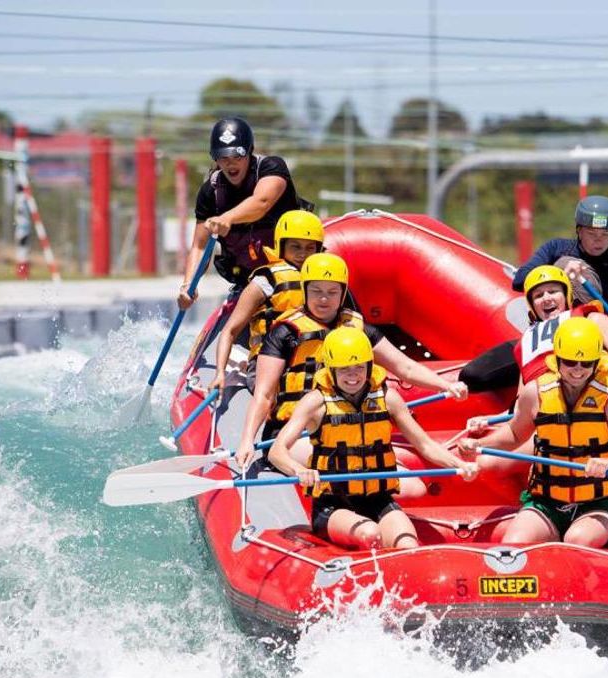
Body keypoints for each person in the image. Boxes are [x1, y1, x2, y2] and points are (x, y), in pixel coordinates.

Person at [235, 252, 467, 471]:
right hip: (295, 432)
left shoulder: (359, 329)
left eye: (332, 292)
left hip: (348, 428)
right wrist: (247, 440)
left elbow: (404, 367)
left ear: (343, 293)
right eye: (316, 291)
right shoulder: (285, 332)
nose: (324, 298)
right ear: (305, 291)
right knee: (342, 463)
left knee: (412, 488)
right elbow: (264, 395)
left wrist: (445, 386)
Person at [459, 316, 608, 549]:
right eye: (570, 363)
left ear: (597, 361)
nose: (578, 371)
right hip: (547, 502)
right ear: (557, 359)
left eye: (586, 364)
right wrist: (479, 444)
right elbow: (515, 435)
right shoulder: (534, 392)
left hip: (600, 503)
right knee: (514, 543)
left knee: (577, 540)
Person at [269, 327, 478, 550]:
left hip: (378, 498)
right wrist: (297, 470)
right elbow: (276, 451)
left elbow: (425, 445)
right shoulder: (315, 403)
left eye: (359, 367)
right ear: (331, 370)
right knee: (370, 533)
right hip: (333, 504)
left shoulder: (388, 399)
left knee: (407, 544)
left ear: (369, 366)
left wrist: (460, 465)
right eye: (344, 369)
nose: (353, 376)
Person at [511, 195, 608, 366]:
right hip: (551, 336)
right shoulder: (556, 249)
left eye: (605, 234)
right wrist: (558, 273)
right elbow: (519, 281)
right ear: (579, 230)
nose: (598, 240)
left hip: (594, 339)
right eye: (591, 233)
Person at [460, 264, 608, 394]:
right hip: (550, 427)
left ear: (567, 296)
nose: (546, 298)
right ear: (532, 306)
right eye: (538, 295)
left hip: (600, 415)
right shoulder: (528, 341)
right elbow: (522, 401)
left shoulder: (594, 321)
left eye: (553, 291)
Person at [179, 117, 305, 310]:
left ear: (249, 151)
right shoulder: (209, 193)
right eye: (224, 158)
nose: (231, 164)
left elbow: (261, 202)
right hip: (249, 285)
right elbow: (200, 247)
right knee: (230, 332)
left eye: (238, 157)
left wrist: (227, 218)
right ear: (215, 158)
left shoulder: (272, 168)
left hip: (292, 275)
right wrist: (188, 285)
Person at [207, 209, 323, 394]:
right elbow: (230, 330)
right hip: (269, 366)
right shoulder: (265, 280)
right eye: (296, 247)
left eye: (310, 247)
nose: (303, 254)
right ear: (281, 246)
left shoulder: (327, 283)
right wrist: (220, 372)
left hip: (312, 364)